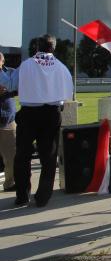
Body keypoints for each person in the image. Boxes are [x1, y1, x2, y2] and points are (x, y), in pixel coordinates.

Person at [14, 35, 73, 207]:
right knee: (48, 156)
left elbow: (13, 83)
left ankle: (22, 195)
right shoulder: (62, 68)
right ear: (53, 48)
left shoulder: (26, 65)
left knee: (22, 155)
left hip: (29, 113)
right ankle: (43, 196)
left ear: (38, 46)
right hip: (51, 113)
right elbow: (67, 93)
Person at [0, 53, 18, 192]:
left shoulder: (11, 73)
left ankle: (10, 183)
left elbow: (18, 89)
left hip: (8, 121)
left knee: (11, 156)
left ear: (2, 61)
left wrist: (8, 91)